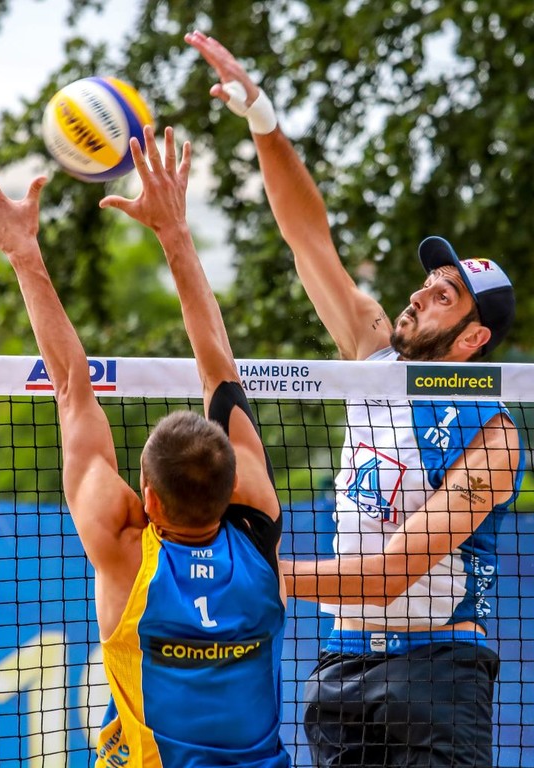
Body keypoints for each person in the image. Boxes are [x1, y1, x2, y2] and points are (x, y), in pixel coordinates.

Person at [186, 31, 525, 768]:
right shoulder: (372, 357)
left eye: (445, 296)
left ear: (472, 339)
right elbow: (307, 235)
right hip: (341, 667)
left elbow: (393, 574)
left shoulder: (493, 435)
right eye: (428, 282)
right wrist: (262, 119)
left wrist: (260, 574)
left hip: (437, 673)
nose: (420, 295)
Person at [0, 126, 291, 768]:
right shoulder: (257, 526)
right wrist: (176, 232)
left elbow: (71, 389)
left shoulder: (125, 549)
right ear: (232, 485)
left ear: (148, 499)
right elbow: (221, 368)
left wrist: (25, 254)